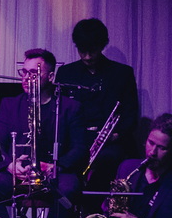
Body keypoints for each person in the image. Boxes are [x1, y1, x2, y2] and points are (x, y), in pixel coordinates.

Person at [0, 49, 86, 218]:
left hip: (54, 172)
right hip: (18, 171)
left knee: (68, 188)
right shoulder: (9, 104)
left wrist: (56, 167)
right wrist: (10, 165)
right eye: (24, 72)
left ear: (50, 76)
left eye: (33, 73)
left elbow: (79, 148)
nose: (26, 78)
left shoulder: (70, 107)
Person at [56, 18, 140, 189]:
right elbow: (59, 112)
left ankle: (95, 204)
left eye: (92, 50)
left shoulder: (122, 73)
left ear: (103, 45)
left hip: (110, 141)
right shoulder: (66, 73)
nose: (87, 56)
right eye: (82, 50)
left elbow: (131, 114)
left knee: (109, 160)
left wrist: (114, 135)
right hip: (76, 139)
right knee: (65, 162)